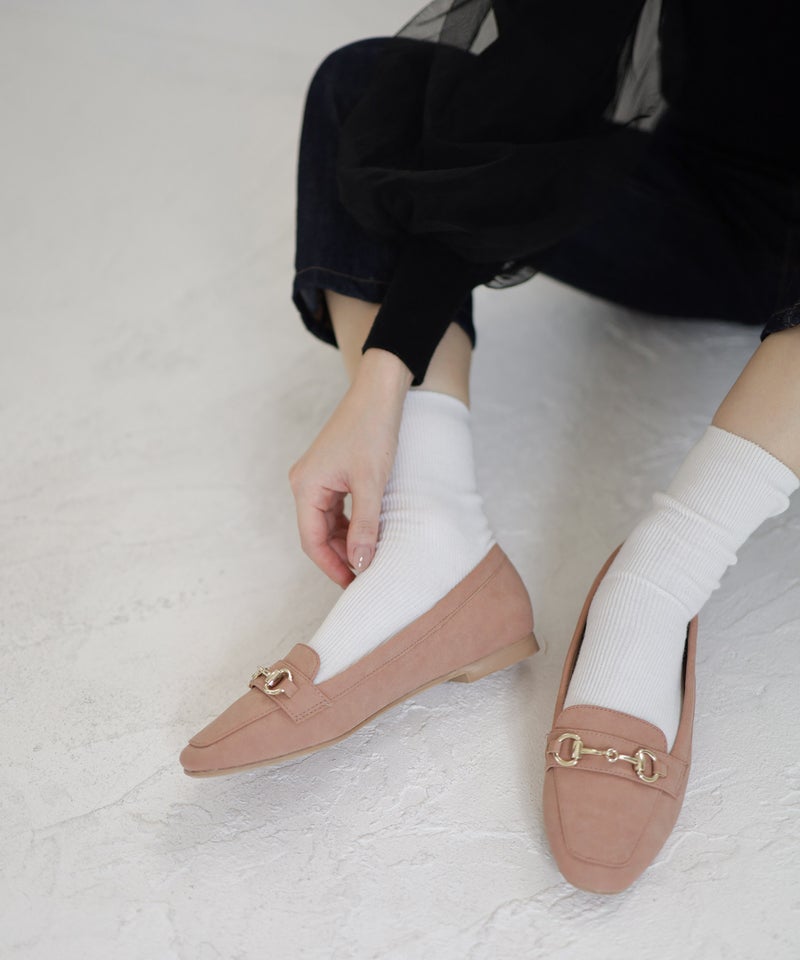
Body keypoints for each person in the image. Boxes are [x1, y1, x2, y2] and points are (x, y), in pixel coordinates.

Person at [179, 0, 800, 893]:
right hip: (693, 201)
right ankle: (431, 530)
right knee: (366, 91)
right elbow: (548, 61)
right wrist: (386, 373)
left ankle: (656, 585)